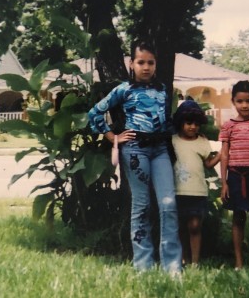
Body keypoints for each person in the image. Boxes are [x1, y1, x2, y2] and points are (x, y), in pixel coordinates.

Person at [87, 39, 182, 275]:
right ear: (132, 63)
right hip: (135, 150)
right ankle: (144, 266)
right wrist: (112, 136)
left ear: (156, 64)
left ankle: (172, 267)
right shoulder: (124, 90)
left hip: (160, 150)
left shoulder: (162, 89)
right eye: (141, 62)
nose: (146, 67)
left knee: (168, 204)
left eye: (151, 62)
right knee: (142, 205)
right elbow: (95, 112)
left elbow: (165, 120)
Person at [219, 80, 249, 269]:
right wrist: (224, 182)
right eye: (240, 101)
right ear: (233, 102)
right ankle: (238, 262)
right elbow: (224, 155)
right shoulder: (228, 126)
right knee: (238, 218)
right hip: (235, 176)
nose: (244, 105)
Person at [171, 100, 221, 267]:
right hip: (178, 191)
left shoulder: (202, 142)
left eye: (196, 124)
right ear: (180, 122)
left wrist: (222, 153)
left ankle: (195, 261)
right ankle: (183, 258)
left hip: (197, 192)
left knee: (195, 226)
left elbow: (208, 164)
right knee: (181, 227)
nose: (192, 127)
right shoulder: (172, 141)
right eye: (188, 123)